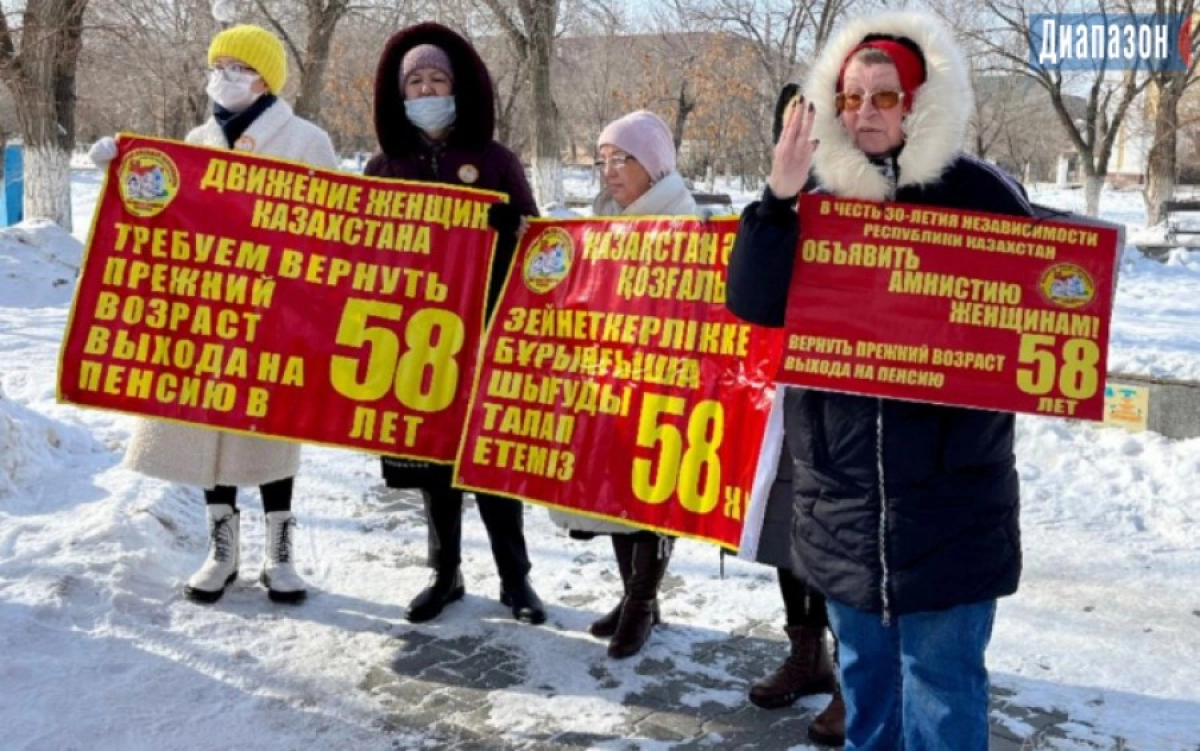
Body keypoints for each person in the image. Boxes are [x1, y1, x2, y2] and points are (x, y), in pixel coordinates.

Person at [726, 11, 1031, 750]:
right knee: (867, 688)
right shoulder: (811, 202)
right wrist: (778, 199)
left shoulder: (983, 195)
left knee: (945, 693)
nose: (865, 112)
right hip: (842, 499)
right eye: (851, 97)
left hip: (952, 500)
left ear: (919, 102)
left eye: (885, 97)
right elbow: (753, 302)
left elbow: (1043, 314)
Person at [89, 24, 339, 604]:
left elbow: (335, 229)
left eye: (236, 66)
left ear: (264, 78)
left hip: (278, 311)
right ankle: (222, 551)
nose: (222, 75)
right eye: (218, 64)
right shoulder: (197, 137)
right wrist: (122, 167)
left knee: (271, 429)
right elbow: (162, 212)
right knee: (211, 428)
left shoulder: (306, 140)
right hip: (208, 309)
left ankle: (281, 555)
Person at [364, 22, 545, 625]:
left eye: (436, 77)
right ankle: (445, 574)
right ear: (400, 94)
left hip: (488, 335)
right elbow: (357, 251)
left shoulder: (495, 161)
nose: (425, 88)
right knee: (432, 465)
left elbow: (540, 248)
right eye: (414, 80)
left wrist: (503, 234)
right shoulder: (384, 165)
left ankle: (515, 580)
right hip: (416, 342)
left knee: (492, 461)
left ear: (458, 87)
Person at [547, 109, 690, 659]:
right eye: (601, 160)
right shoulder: (603, 221)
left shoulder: (680, 220)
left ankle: (642, 603)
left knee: (651, 499)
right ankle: (635, 596)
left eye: (620, 160)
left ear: (652, 167)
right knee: (613, 492)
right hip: (608, 379)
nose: (608, 172)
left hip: (661, 384)